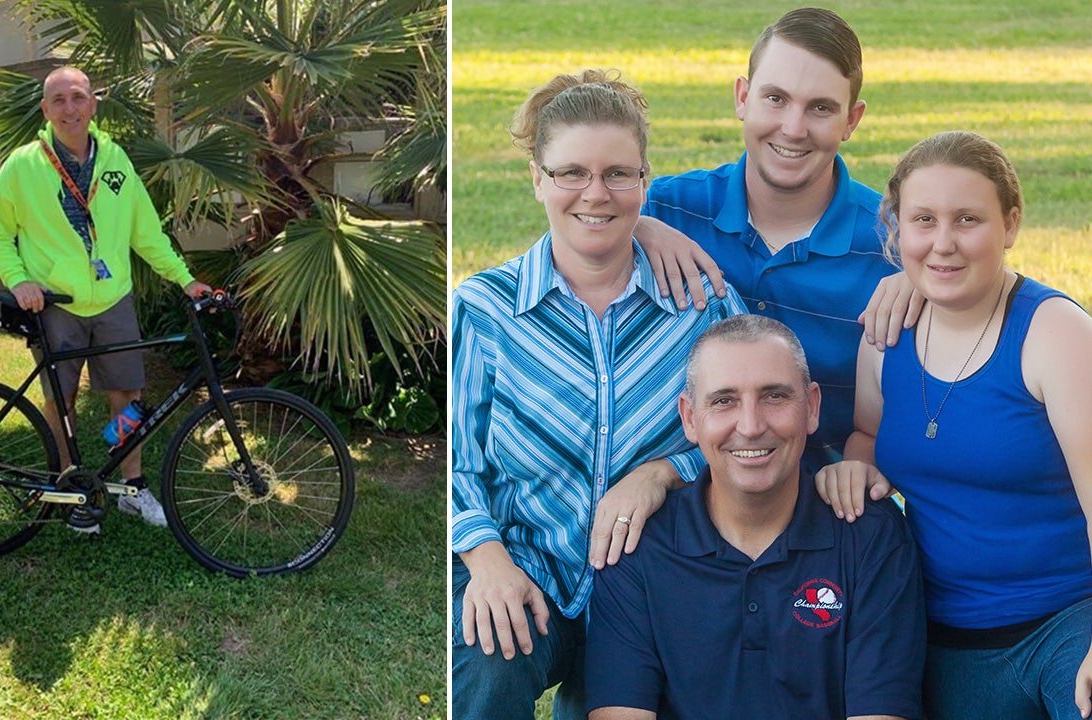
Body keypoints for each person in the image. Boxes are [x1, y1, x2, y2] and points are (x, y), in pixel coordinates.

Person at [450, 70, 744, 720]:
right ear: (537, 179)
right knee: (483, 667)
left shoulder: (701, 303)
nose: (595, 193)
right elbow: (456, 461)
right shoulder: (486, 309)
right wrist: (487, 560)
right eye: (570, 173)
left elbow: (754, 432)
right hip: (526, 567)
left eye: (618, 174)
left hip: (657, 587)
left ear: (645, 180)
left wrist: (664, 472)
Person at [815, 130, 1092, 719]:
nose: (943, 244)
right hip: (940, 632)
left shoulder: (1054, 332)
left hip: (1068, 619)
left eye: (968, 219)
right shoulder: (885, 336)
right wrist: (857, 466)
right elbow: (868, 433)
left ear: (1011, 225)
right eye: (923, 220)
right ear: (896, 229)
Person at [586, 314, 925, 720]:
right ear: (690, 418)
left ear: (812, 407)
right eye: (724, 400)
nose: (750, 426)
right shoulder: (638, 546)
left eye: (775, 396)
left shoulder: (870, 535)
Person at [634, 7, 918, 473]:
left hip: (830, 508)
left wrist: (927, 282)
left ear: (852, 120)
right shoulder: (668, 210)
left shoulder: (894, 245)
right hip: (679, 501)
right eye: (775, 99)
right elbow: (570, 244)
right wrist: (632, 226)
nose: (793, 127)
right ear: (743, 97)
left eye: (821, 108)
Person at [0, 66, 210, 533]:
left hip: (112, 300)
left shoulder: (116, 161)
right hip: (54, 304)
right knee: (59, 400)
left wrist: (186, 280)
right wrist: (19, 279)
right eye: (59, 100)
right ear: (45, 110)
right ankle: (69, 488)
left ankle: (130, 485)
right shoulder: (23, 165)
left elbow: (147, 234)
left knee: (127, 396)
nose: (70, 108)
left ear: (93, 104)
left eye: (78, 97)